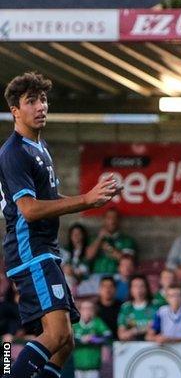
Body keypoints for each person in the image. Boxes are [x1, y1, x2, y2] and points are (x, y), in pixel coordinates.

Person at [1, 72, 121, 377]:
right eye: (31, 101)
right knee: (54, 336)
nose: (41, 106)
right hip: (31, 253)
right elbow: (28, 210)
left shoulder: (40, 147)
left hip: (46, 253)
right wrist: (85, 200)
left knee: (66, 342)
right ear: (15, 110)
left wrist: (92, 199)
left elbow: (50, 199)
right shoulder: (14, 153)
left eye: (43, 99)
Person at [85, 209, 136, 276]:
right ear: (104, 220)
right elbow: (88, 256)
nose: (112, 221)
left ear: (119, 220)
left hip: (117, 276)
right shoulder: (94, 239)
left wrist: (107, 247)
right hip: (96, 275)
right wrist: (99, 238)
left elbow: (126, 261)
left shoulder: (127, 240)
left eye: (115, 218)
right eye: (109, 218)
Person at [71, 300, 111, 378]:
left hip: (93, 365)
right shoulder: (75, 324)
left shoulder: (97, 322)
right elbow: (68, 339)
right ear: (80, 310)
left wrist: (94, 339)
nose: (87, 311)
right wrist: (81, 340)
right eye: (85, 308)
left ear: (94, 310)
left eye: (90, 308)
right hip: (78, 364)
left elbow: (108, 336)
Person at [117, 275, 156, 341]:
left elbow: (157, 328)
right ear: (130, 289)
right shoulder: (126, 308)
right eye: (135, 286)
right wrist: (138, 330)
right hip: (133, 347)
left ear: (147, 288)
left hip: (153, 346)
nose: (139, 290)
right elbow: (122, 334)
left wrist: (134, 331)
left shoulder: (155, 306)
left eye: (142, 286)